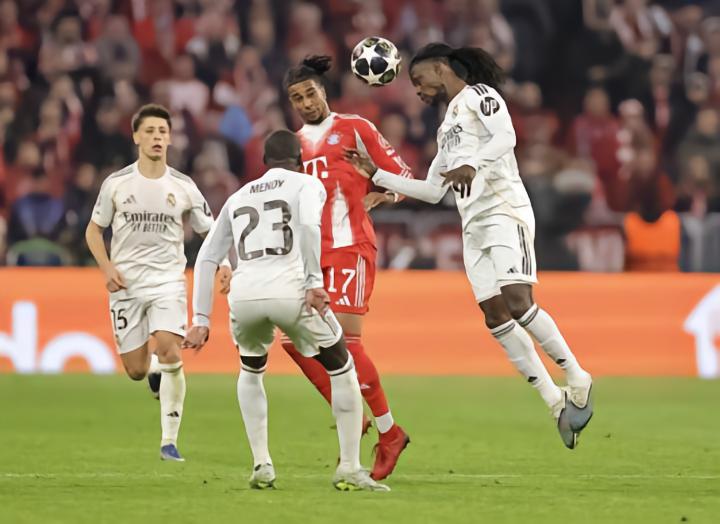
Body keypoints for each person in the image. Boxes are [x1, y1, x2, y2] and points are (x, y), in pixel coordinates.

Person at [346, 43, 594, 448]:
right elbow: (432, 190)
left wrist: (472, 164)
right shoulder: (446, 129)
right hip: (473, 226)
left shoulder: (481, 96)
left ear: (441, 69)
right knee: (495, 317)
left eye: (419, 80)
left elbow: (506, 136)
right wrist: (378, 178)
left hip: (503, 210)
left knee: (518, 301)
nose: (417, 89)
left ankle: (578, 377)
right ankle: (554, 402)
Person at [183, 130, 389, 492]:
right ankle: (350, 467)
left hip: (245, 295)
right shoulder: (307, 184)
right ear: (301, 160)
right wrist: (314, 282)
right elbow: (308, 226)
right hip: (290, 290)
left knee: (251, 371)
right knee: (342, 367)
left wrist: (200, 319)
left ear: (265, 162)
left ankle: (261, 464)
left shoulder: (239, 195)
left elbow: (207, 257)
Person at [282, 55, 411, 479]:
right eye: (297, 98)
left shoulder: (356, 128)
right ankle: (354, 412)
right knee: (294, 341)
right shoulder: (293, 146)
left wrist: (381, 192)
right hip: (310, 256)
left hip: (350, 246)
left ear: (323, 91)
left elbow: (402, 174)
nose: (306, 103)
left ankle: (389, 432)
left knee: (347, 344)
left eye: (310, 93)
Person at [85, 103, 232, 461]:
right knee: (136, 370)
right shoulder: (117, 183)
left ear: (169, 139)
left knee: (170, 348)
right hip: (126, 284)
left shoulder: (183, 186)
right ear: (136, 136)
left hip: (168, 281)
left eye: (162, 132)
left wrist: (224, 263)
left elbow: (211, 231)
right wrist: (106, 268)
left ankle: (169, 441)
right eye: (149, 131)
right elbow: (93, 231)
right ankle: (152, 370)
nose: (156, 137)